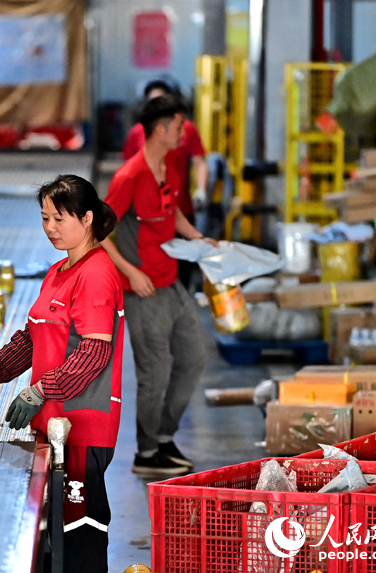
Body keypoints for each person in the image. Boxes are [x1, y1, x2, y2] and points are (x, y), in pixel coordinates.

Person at [0, 175, 124, 572]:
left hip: (82, 424)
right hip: (55, 421)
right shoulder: (59, 270)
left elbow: (93, 353)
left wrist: (40, 390)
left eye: (59, 218)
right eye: (44, 218)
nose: (50, 228)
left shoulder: (96, 274)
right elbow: (33, 336)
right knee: (57, 531)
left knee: (80, 532)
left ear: (87, 218)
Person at [103, 94, 218, 477]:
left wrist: (196, 238)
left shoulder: (169, 169)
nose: (184, 131)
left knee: (193, 358)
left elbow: (173, 211)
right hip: (143, 291)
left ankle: (165, 438)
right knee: (155, 373)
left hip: (171, 283)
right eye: (179, 125)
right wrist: (129, 271)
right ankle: (147, 452)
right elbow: (98, 229)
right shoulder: (129, 176)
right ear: (160, 129)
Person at [123, 80, 209, 289]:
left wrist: (201, 189)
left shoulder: (186, 130)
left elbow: (199, 161)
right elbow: (128, 171)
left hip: (180, 208)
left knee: (182, 266)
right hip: (148, 215)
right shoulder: (138, 133)